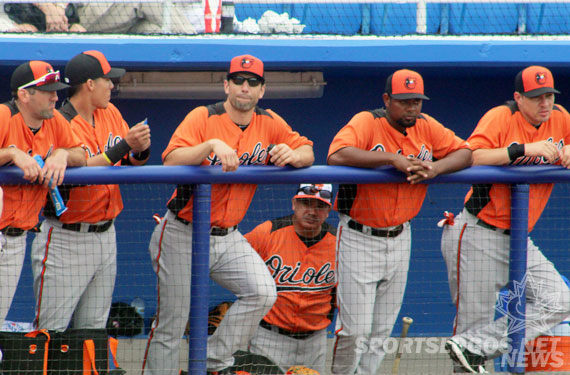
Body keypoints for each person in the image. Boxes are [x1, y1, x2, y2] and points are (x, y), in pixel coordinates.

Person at [142, 54, 314, 375]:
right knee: (173, 321)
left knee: (262, 292)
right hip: (183, 230)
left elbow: (308, 150)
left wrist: (293, 154)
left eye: (252, 82)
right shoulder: (203, 116)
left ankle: (212, 362)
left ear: (262, 90)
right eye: (238, 80)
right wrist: (210, 145)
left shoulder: (270, 122)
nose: (245, 87)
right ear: (226, 85)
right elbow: (171, 159)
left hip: (228, 236)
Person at [327, 69, 472, 375]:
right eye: (404, 101)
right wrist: (391, 159)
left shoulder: (426, 126)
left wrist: (435, 168)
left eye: (417, 101)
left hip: (401, 236)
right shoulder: (368, 121)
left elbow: (466, 153)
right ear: (387, 99)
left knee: (381, 332)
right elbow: (337, 155)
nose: (411, 108)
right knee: (355, 330)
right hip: (358, 235)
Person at [441, 65, 570, 374]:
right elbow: (469, 156)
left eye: (549, 96)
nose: (544, 104)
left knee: (558, 300)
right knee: (472, 325)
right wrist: (522, 150)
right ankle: (473, 347)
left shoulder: (561, 117)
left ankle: (477, 346)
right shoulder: (500, 116)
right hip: (478, 233)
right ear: (518, 97)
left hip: (519, 238)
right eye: (536, 97)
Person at [30, 51, 151, 332]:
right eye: (107, 79)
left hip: (106, 234)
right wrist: (125, 145)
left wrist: (140, 147)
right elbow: (84, 170)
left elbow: (131, 160)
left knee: (93, 330)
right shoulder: (59, 122)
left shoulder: (110, 113)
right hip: (66, 238)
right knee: (51, 330)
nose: (112, 85)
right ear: (90, 84)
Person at [0, 60, 85, 327]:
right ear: (24, 94)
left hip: (16, 239)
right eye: (47, 90)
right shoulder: (3, 115)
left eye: (56, 90)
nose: (55, 96)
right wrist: (11, 153)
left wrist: (61, 154)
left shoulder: (55, 120)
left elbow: (80, 154)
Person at [244, 183, 336, 374]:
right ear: (294, 204)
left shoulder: (339, 242)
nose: (312, 211)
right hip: (269, 337)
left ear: (328, 210)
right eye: (306, 203)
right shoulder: (267, 232)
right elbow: (232, 265)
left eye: (320, 206)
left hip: (315, 341)